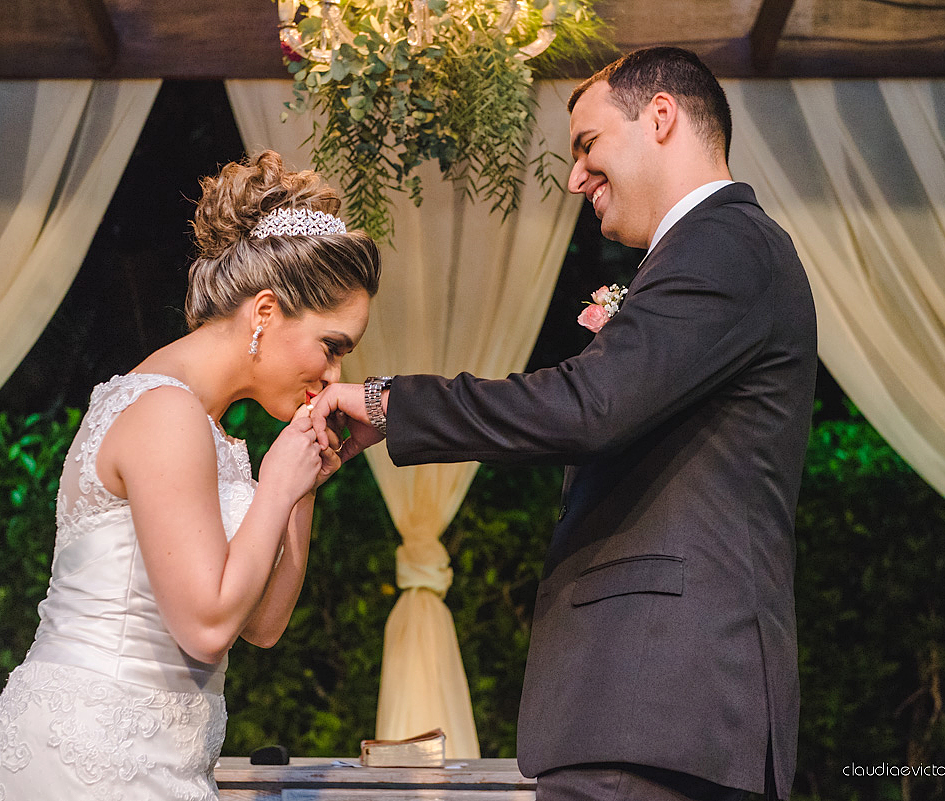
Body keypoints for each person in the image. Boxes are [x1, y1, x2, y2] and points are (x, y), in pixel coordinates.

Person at [311, 47, 817, 801]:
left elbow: (590, 406)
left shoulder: (723, 243)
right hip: (653, 712)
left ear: (662, 117)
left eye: (587, 146)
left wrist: (392, 404)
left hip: (661, 702)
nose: (576, 176)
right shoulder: (715, 250)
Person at [0, 150, 380, 800]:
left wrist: (300, 483)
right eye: (332, 346)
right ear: (266, 312)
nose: (334, 374)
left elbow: (263, 622)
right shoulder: (165, 410)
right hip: (89, 752)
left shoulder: (207, 426)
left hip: (160, 755)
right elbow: (207, 626)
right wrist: (276, 481)